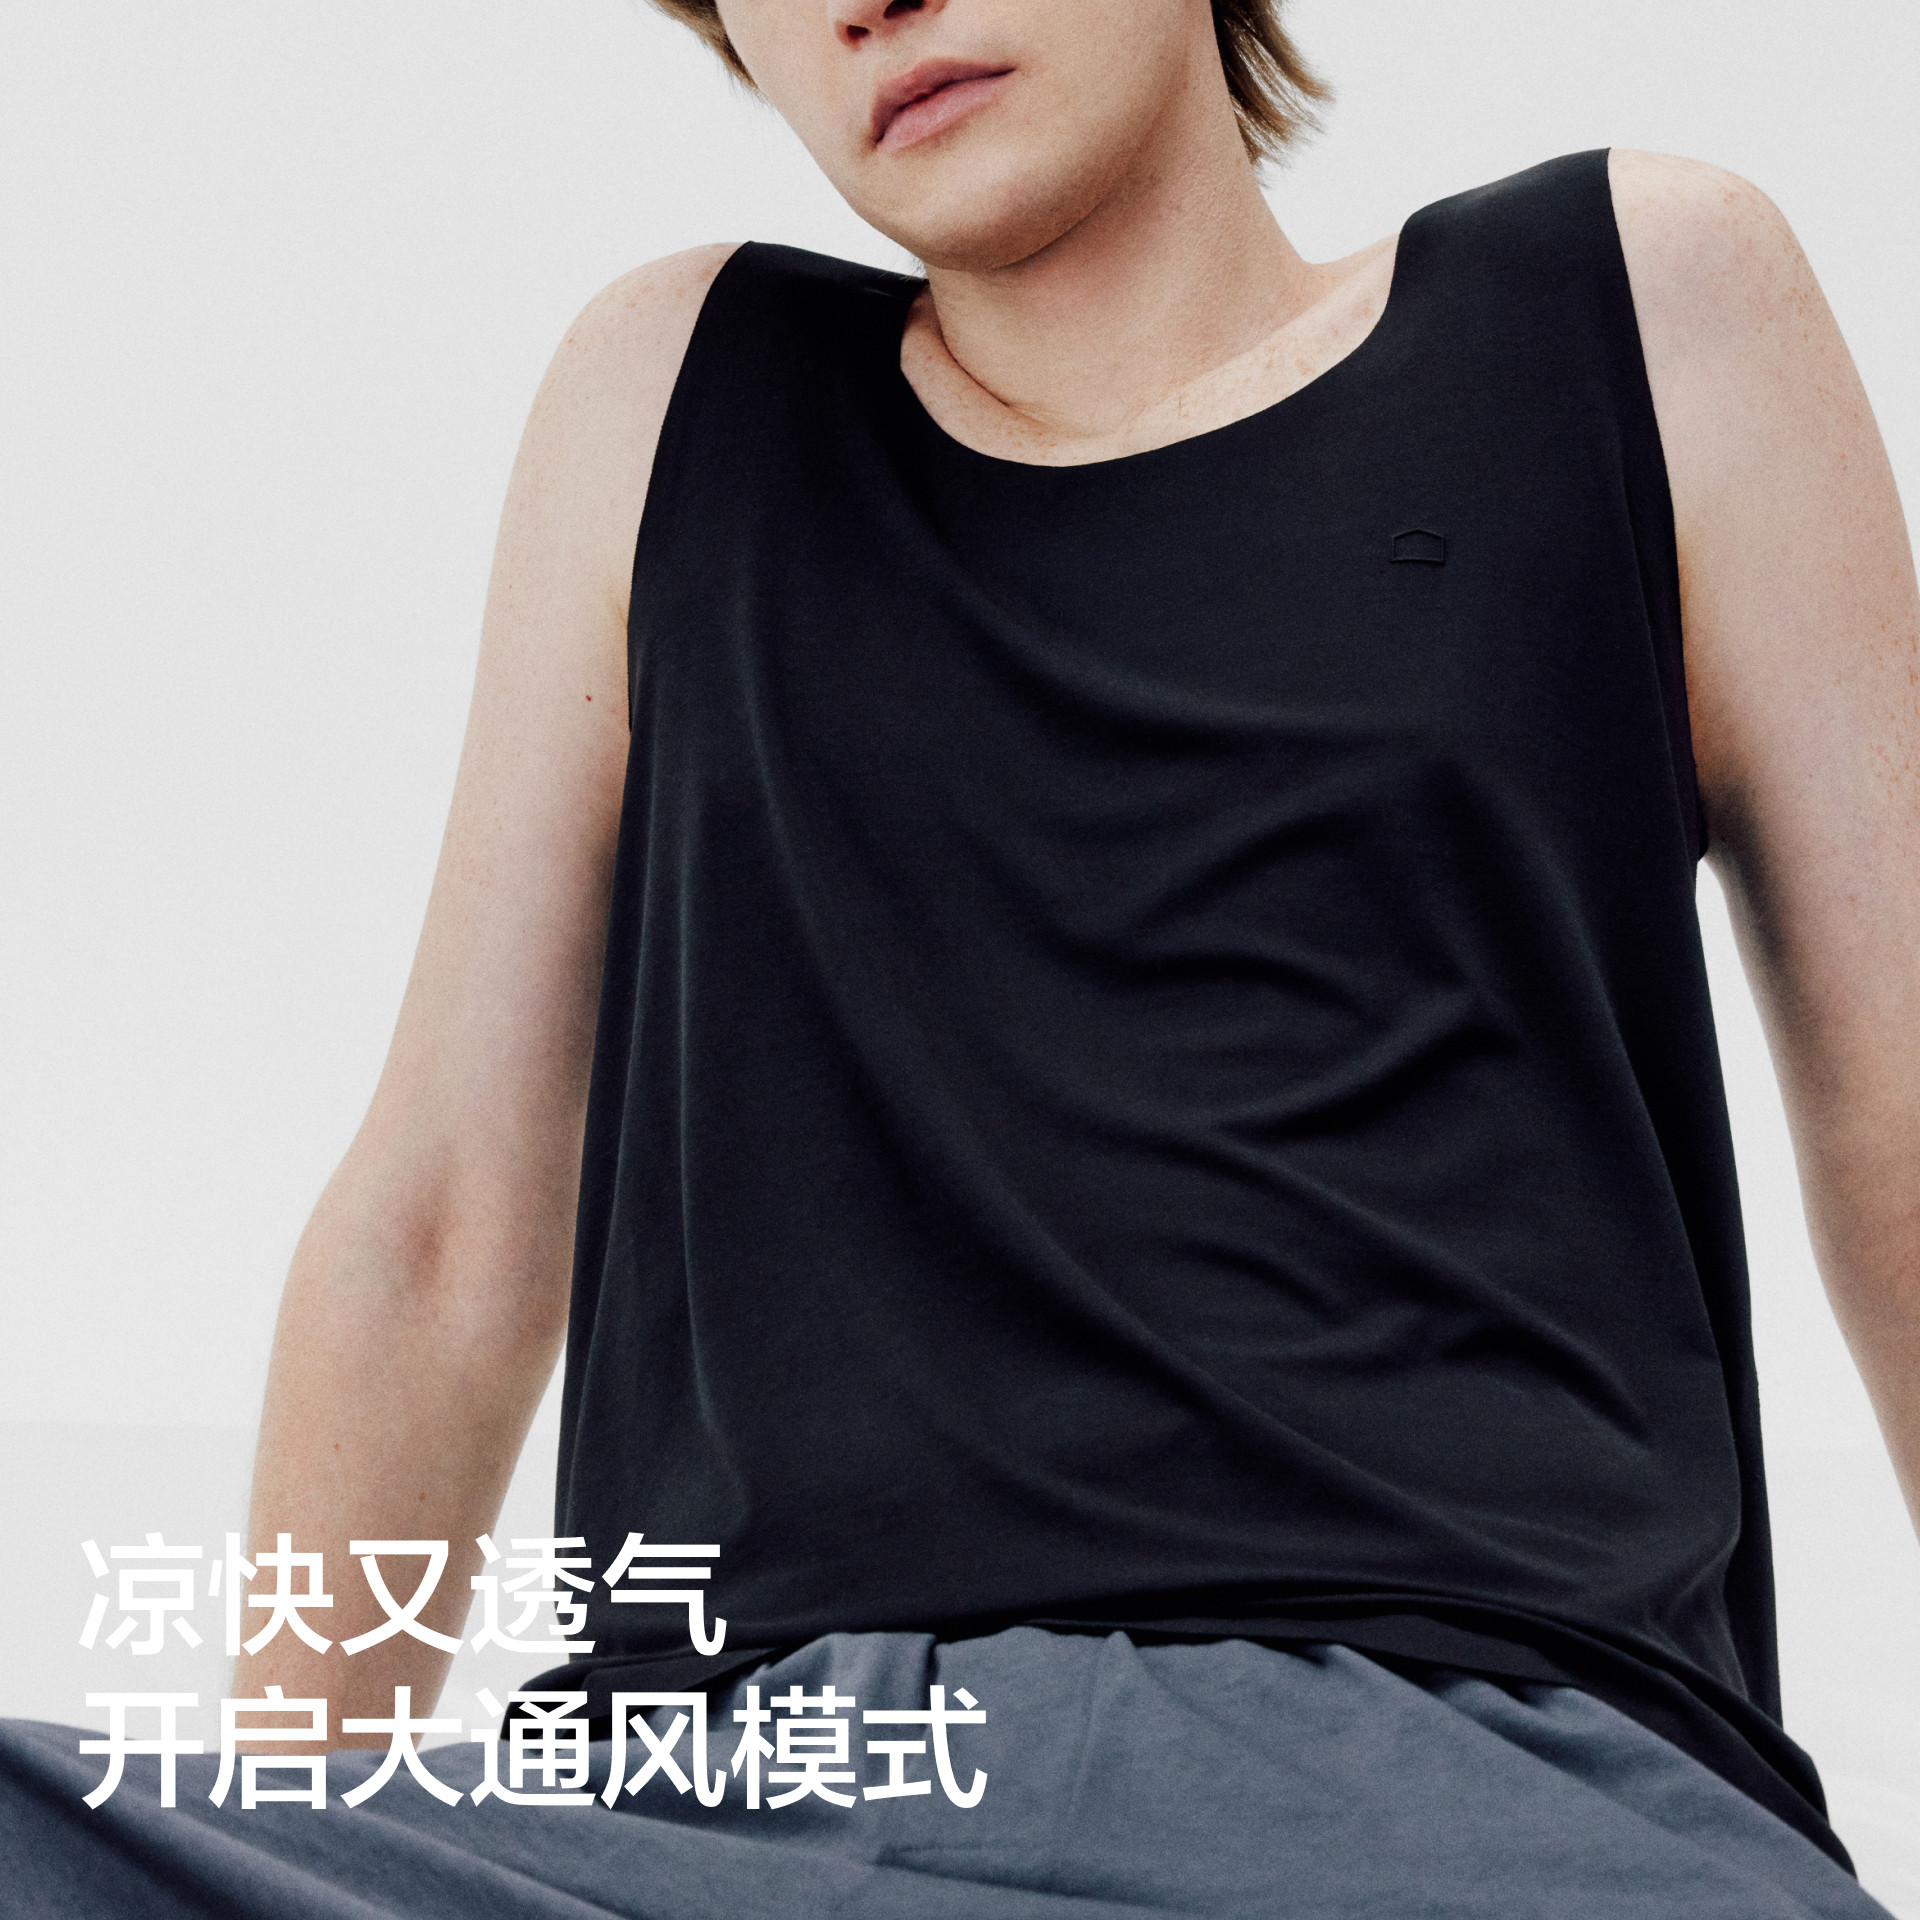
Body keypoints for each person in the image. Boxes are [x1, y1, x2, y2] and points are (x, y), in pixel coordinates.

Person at [4, 0, 1916, 1912]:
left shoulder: (1637, 308)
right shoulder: (672, 398)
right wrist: (266, 1858)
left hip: (1462, 1790)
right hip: (736, 1804)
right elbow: (441, 1226)